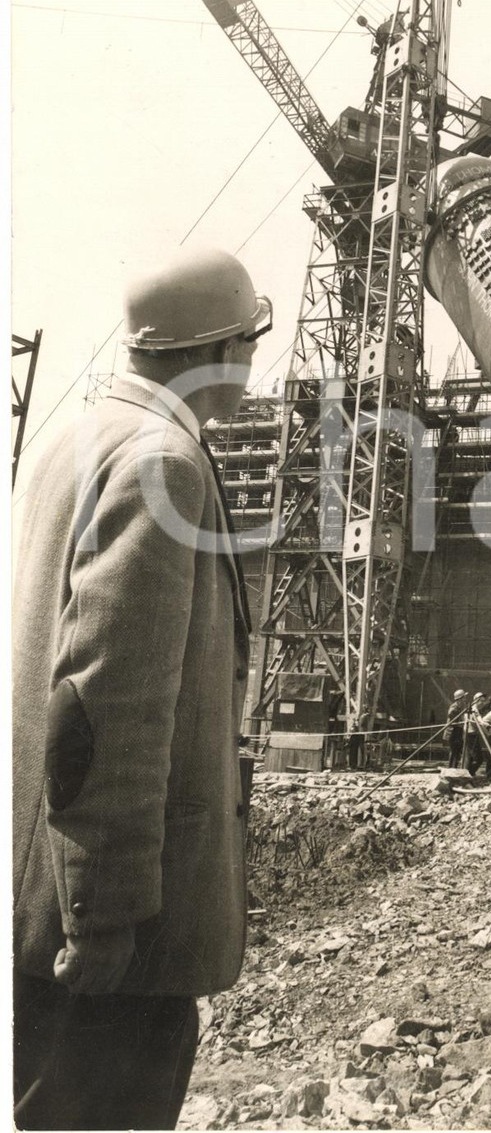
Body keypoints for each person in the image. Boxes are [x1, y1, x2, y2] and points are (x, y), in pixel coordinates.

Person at [12, 249, 271, 1129]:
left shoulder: (74, 439)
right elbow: (107, 707)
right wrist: (104, 918)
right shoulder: (168, 461)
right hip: (117, 934)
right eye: (249, 341)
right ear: (226, 348)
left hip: (36, 893)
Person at [446, 689, 468, 769]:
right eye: (464, 698)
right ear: (460, 699)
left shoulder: (460, 707)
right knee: (454, 752)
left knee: (457, 752)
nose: (465, 699)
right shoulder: (454, 708)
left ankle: (453, 769)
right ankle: (451, 769)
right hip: (453, 732)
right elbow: (454, 720)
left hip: (458, 731)